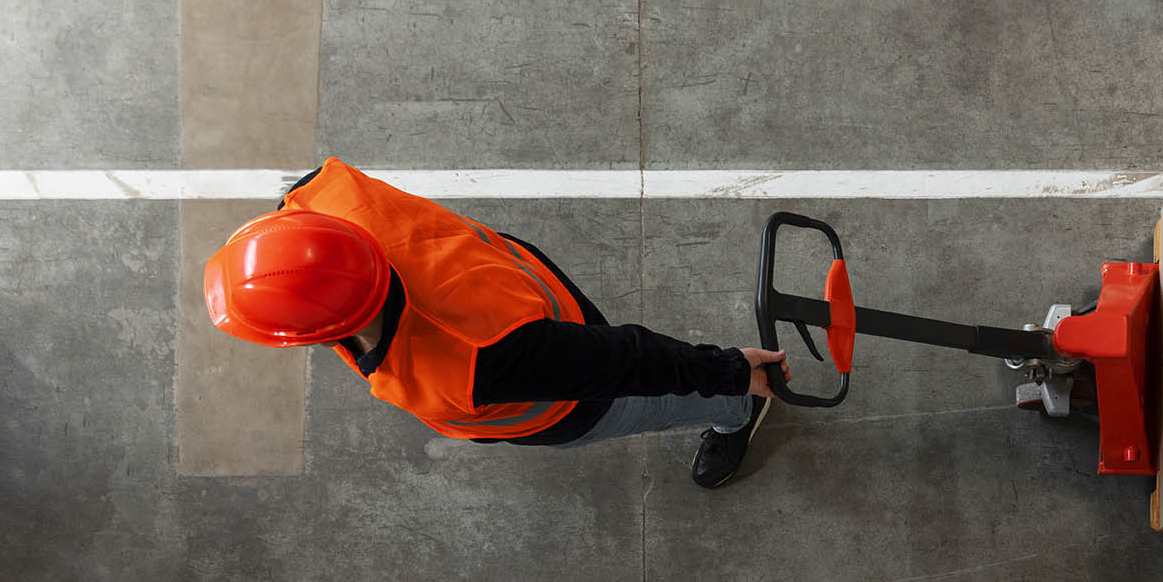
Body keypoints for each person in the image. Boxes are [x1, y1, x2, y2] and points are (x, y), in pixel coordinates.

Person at [202, 157, 791, 488]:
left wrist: (731, 370)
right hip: (514, 279)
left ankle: (740, 408)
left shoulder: (461, 363)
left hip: (564, 397)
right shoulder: (317, 200)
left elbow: (624, 360)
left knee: (644, 398)